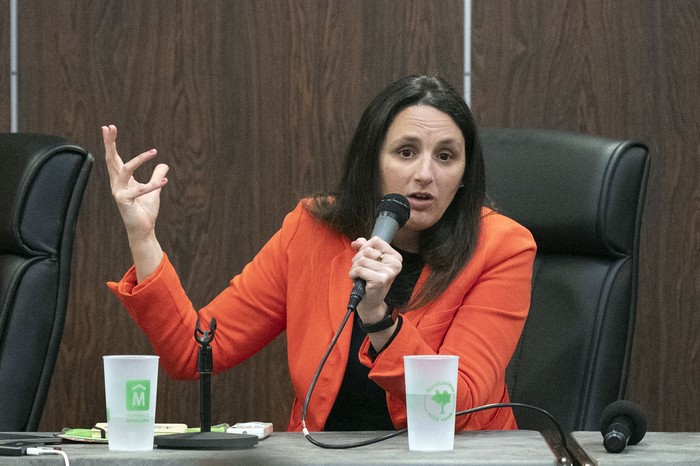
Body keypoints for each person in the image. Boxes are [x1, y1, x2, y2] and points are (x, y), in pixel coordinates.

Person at [103, 75, 536, 433]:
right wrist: (143, 238)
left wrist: (379, 320)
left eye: (446, 156)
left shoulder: (500, 247)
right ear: (372, 161)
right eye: (406, 152)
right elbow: (194, 352)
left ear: (464, 175)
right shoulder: (312, 230)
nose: (425, 174)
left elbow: (457, 404)